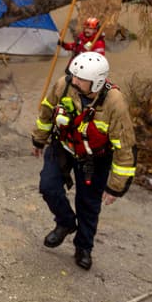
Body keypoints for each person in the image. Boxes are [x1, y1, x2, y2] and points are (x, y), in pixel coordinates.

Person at [31, 52, 136, 271]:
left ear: (96, 82)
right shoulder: (65, 84)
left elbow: (124, 146)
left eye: (80, 79)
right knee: (48, 186)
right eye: (74, 76)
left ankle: (83, 247)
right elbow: (47, 111)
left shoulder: (114, 103)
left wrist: (116, 187)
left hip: (95, 158)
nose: (74, 80)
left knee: (88, 204)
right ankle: (66, 222)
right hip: (64, 146)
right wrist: (39, 140)